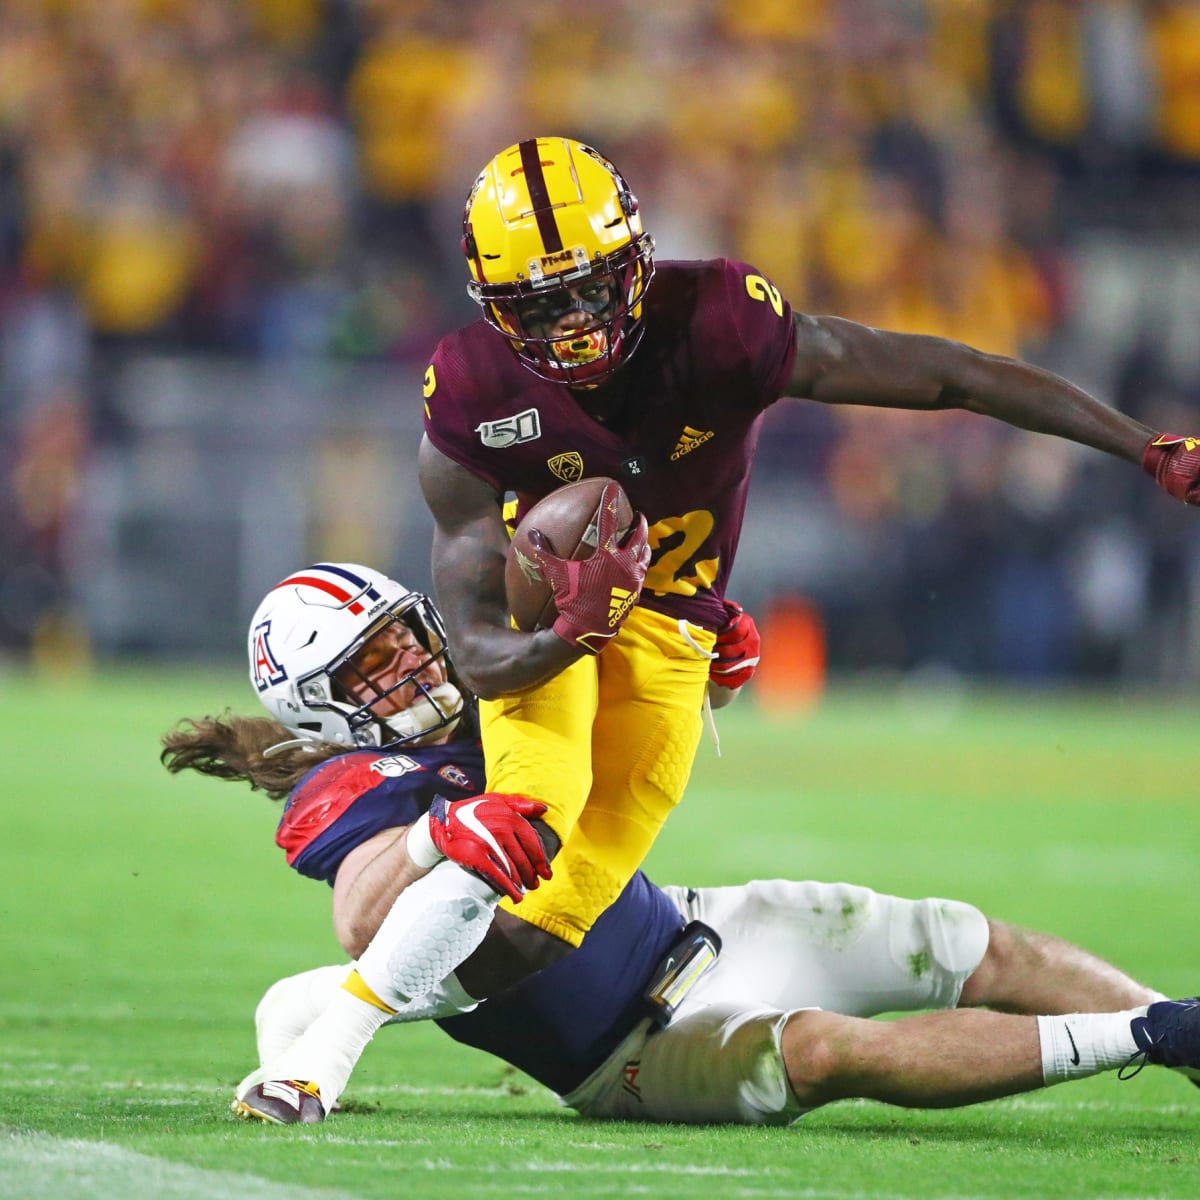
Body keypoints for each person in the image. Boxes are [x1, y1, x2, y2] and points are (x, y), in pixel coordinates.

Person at [415, 135, 1200, 1019]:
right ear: (492, 306)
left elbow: (954, 376)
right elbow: (478, 653)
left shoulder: (722, 323)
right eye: (543, 304)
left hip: (673, 623)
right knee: (529, 819)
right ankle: (394, 886)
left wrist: (1142, 445)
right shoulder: (473, 386)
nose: (578, 324)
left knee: (552, 918)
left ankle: (353, 991)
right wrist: (569, 628)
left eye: (594, 288)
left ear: (636, 259)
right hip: (546, 621)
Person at [163, 562, 1200, 1127]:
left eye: (401, 638)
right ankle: (1159, 1035)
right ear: (321, 710)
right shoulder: (349, 786)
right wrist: (440, 836)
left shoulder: (499, 678)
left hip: (698, 924)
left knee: (966, 941)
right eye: (369, 669)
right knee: (836, 1052)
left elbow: (622, 698)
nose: (407, 669)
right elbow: (362, 913)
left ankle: (1182, 1041)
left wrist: (701, 656)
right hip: (627, 1055)